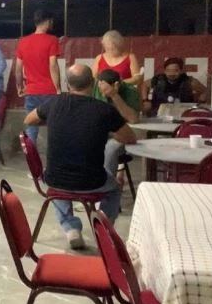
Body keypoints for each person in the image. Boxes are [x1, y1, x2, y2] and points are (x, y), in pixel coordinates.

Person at [24, 64, 137, 249]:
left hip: (55, 180)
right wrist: (106, 131)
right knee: (115, 188)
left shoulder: (54, 103)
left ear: (67, 84)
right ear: (92, 83)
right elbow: (130, 138)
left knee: (58, 177)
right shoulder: (104, 110)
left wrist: (55, 122)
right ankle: (102, 228)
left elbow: (28, 119)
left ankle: (71, 228)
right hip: (92, 182)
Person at [15, 10, 61, 143]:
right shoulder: (52, 40)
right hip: (49, 91)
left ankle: (31, 155)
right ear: (47, 21)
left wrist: (20, 87)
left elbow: (18, 69)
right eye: (51, 21)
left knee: (31, 128)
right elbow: (53, 66)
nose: (52, 23)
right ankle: (54, 154)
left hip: (31, 91)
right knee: (53, 127)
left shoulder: (23, 42)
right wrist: (58, 88)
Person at [93, 69, 140, 185]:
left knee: (110, 149)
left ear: (116, 85)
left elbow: (133, 119)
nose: (102, 92)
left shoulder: (131, 91)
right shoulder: (95, 88)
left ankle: (106, 185)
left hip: (122, 134)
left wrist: (114, 95)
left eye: (105, 90)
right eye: (100, 88)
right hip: (100, 132)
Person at [140, 56, 208, 116]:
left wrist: (200, 104)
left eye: (175, 71)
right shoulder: (157, 80)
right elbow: (144, 85)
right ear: (165, 71)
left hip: (182, 114)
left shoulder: (189, 81)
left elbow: (205, 91)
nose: (171, 73)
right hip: (158, 113)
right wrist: (145, 100)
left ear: (181, 71)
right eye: (168, 70)